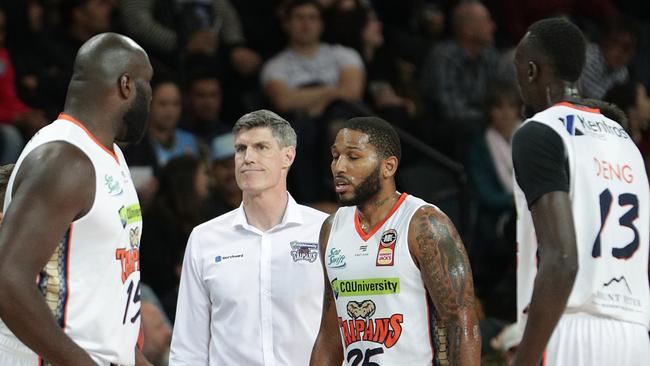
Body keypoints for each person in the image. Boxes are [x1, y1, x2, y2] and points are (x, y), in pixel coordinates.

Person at [0, 33, 154, 366]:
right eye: (148, 85)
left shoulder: (108, 155)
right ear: (126, 85)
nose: (150, 97)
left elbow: (102, 305)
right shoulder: (65, 159)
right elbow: (7, 279)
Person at [511, 18, 650, 366]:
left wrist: (524, 359)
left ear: (531, 71)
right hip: (633, 335)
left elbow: (561, 260)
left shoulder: (539, 132)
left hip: (567, 325)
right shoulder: (625, 139)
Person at [310, 117, 480, 365]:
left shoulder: (424, 224)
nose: (339, 167)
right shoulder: (331, 228)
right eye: (336, 156)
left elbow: (462, 325)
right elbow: (330, 334)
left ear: (388, 166)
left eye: (353, 157)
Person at [169, 110, 328, 365]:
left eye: (261, 147)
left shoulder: (323, 230)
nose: (247, 158)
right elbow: (188, 347)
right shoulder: (204, 239)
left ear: (288, 156)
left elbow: (346, 330)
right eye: (241, 149)